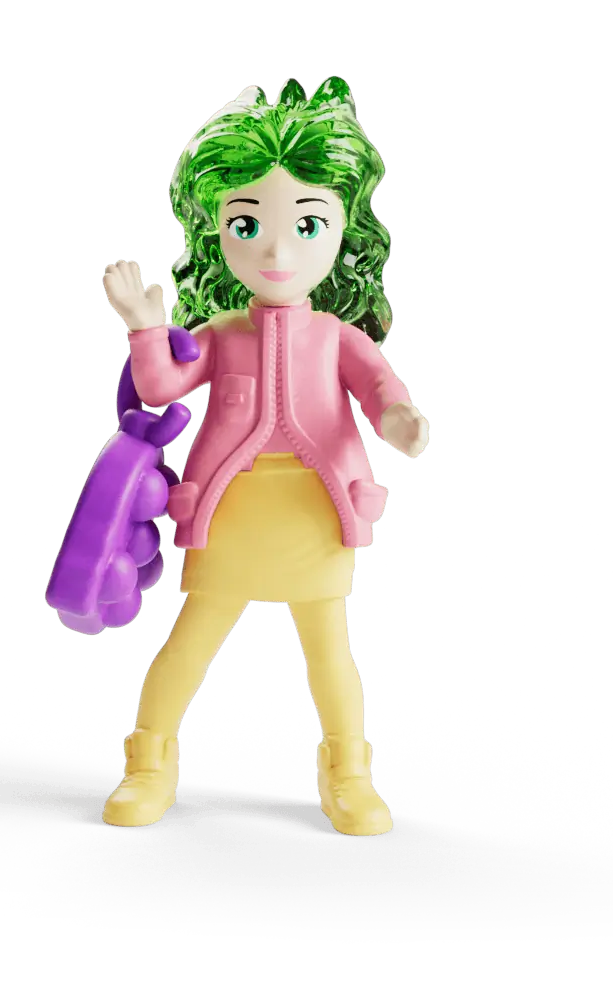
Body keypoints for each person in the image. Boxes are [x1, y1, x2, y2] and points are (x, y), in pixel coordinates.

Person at [100, 77, 429, 836]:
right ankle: (148, 767)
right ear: (217, 230)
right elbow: (160, 386)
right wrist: (144, 325)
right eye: (247, 225)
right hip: (231, 512)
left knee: (331, 654)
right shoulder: (219, 332)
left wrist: (402, 422)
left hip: (318, 514)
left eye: (308, 225)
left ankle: (349, 777)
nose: (278, 251)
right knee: (190, 645)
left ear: (345, 230)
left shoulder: (340, 337)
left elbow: (381, 391)